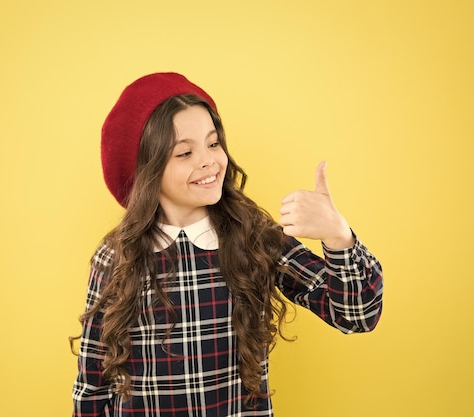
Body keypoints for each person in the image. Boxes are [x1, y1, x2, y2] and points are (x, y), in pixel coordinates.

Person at [71, 72, 383, 417]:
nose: (208, 161)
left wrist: (338, 236)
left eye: (213, 143)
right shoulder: (116, 257)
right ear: (147, 169)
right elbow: (92, 382)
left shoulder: (254, 238)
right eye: (185, 152)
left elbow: (357, 315)